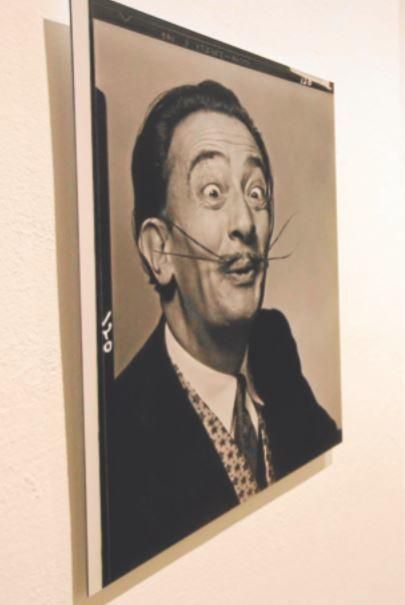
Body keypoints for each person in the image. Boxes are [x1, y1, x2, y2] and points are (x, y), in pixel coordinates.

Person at [103, 80, 341, 584]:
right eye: (212, 192)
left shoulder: (274, 346)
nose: (245, 222)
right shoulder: (121, 435)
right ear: (158, 250)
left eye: (256, 193)